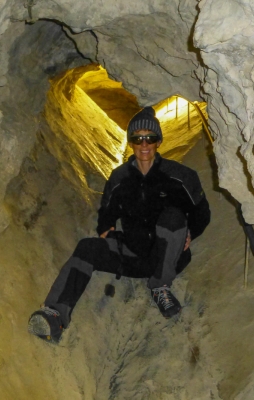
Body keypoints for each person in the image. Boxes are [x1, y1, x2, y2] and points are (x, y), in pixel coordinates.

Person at [28, 106, 211, 343]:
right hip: (131, 253)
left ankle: (160, 286)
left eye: (150, 138)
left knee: (174, 217)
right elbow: (107, 211)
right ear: (131, 142)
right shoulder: (119, 178)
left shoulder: (180, 176)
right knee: (87, 248)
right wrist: (106, 228)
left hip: (167, 256)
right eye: (137, 139)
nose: (144, 145)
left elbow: (202, 212)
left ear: (158, 142)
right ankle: (54, 315)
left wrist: (190, 233)